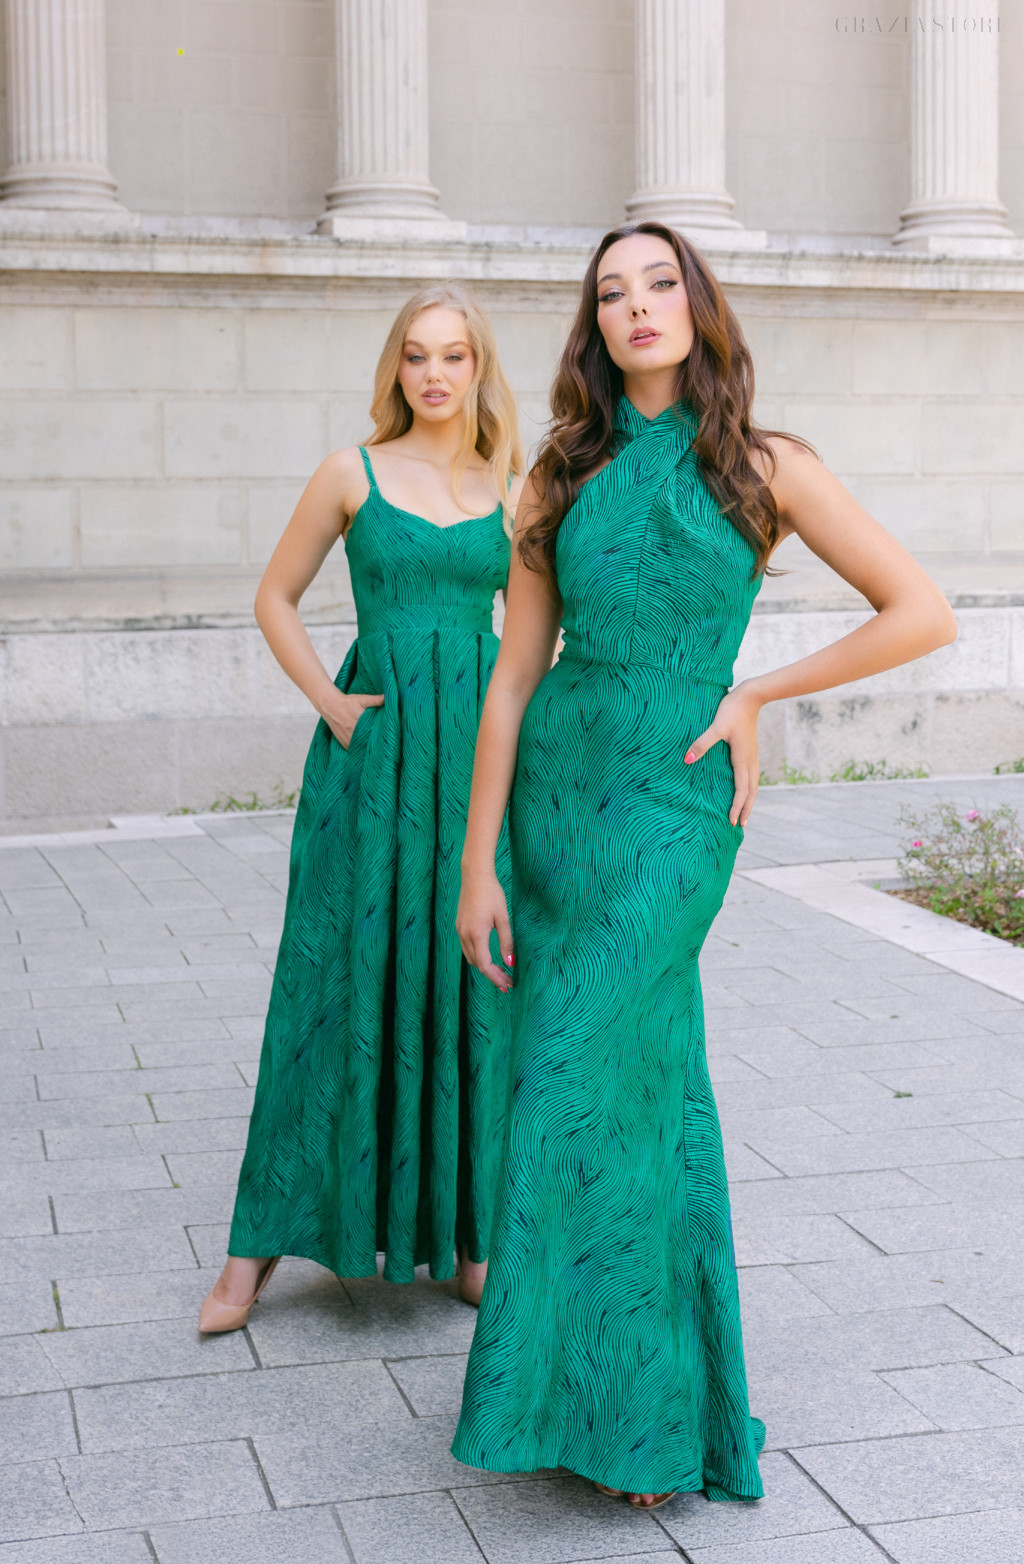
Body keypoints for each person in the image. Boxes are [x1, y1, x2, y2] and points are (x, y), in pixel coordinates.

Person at [452, 222, 957, 1508]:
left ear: (696, 302)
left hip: (678, 798)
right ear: (593, 325)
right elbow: (511, 680)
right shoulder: (558, 473)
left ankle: (628, 1413)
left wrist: (757, 695)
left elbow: (920, 611)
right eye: (610, 292)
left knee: (573, 1069)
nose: (636, 306)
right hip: (559, 796)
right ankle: (632, 1405)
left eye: (658, 282)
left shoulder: (767, 464)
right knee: (632, 1084)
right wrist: (475, 863)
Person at [199, 284, 524, 1333]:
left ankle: (469, 1239)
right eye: (416, 355)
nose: (434, 373)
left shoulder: (510, 489)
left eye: (454, 356)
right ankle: (252, 1252)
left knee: (468, 982)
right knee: (331, 983)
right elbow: (274, 596)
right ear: (395, 368)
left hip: (474, 761)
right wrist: (331, 702)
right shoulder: (352, 471)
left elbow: (532, 641)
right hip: (374, 764)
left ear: (479, 369)